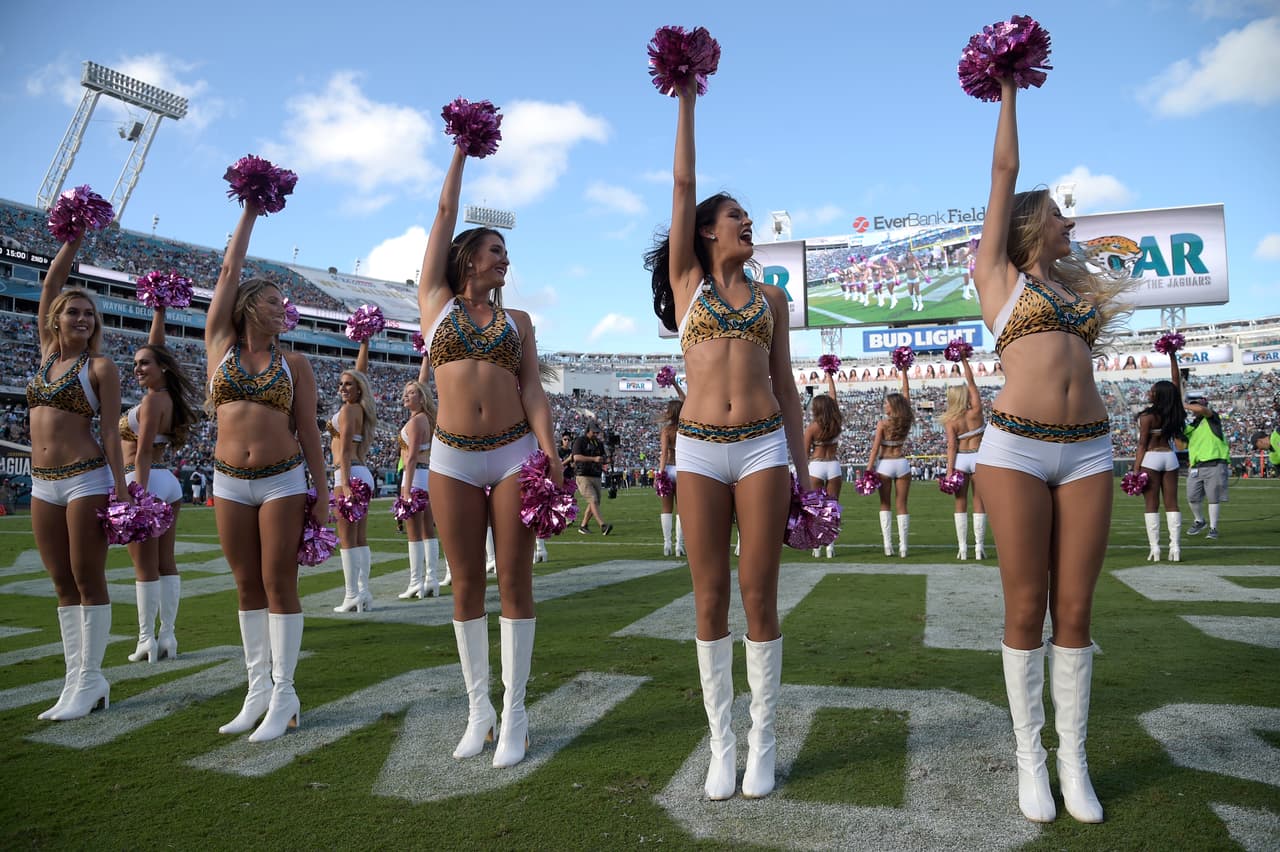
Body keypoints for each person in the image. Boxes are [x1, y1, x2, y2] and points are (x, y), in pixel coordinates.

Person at [972, 76, 1132, 825]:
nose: (1070, 221)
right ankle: (1030, 762)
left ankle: (1075, 760)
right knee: (1026, 603)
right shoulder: (997, 278)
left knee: (1076, 607)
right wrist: (1008, 90)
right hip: (1017, 452)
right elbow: (1003, 174)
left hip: (1091, 451)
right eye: (1058, 214)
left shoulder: (1073, 293)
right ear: (1031, 224)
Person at [643, 78, 807, 801]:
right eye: (736, 216)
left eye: (747, 216)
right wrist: (685, 98)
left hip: (765, 445)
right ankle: (721, 744)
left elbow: (789, 389)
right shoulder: (687, 283)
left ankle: (764, 742)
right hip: (701, 449)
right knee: (709, 596)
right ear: (708, 231)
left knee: (759, 593)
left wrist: (806, 475)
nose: (748, 223)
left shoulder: (773, 299)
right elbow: (683, 182)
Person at [418, 131, 562, 769]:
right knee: (466, 585)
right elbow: (443, 214)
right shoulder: (435, 305)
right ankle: (478, 711)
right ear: (467, 259)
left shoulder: (520, 321)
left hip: (513, 454)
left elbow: (531, 388)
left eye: (506, 252)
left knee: (516, 583)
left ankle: (516, 714)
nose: (505, 260)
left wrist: (550, 448)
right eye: (496, 251)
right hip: (450, 454)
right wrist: (461, 154)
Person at [207, 199, 328, 743]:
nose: (284, 309)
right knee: (244, 582)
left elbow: (309, 434)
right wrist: (251, 212)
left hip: (283, 478)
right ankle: (257, 689)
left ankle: (285, 692)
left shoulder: (295, 363)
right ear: (250, 306)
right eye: (275, 302)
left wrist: (323, 495)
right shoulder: (218, 346)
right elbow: (229, 271)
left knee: (279, 582)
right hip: (228, 480)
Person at [30, 233, 128, 721]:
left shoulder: (101, 367)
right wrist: (74, 238)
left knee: (88, 577)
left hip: (85, 479)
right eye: (74, 312)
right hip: (41, 482)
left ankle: (91, 679)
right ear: (57, 320)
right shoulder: (48, 354)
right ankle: (76, 681)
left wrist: (124, 493)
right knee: (60, 580)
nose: (83, 319)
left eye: (90, 314)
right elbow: (50, 283)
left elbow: (111, 433)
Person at [121, 305, 200, 662]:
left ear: (162, 368)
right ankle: (168, 637)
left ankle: (145, 641)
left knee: (144, 567)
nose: (137, 369)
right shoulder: (167, 396)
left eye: (144, 364)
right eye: (136, 364)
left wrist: (135, 498)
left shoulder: (153, 401)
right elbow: (157, 349)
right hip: (168, 482)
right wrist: (159, 311)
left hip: (146, 480)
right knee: (166, 562)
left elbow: (140, 453)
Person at [329, 339, 378, 612]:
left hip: (348, 475)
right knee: (359, 538)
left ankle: (351, 595)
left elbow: (345, 449)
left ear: (358, 388)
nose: (342, 388)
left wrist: (344, 483)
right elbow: (361, 373)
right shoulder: (359, 408)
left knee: (348, 539)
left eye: (348, 384)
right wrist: (364, 344)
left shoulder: (349, 410)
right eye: (340, 384)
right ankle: (364, 593)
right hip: (362, 474)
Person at [396, 359, 442, 598]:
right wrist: (425, 358)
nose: (406, 396)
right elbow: (422, 382)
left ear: (421, 398)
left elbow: (411, 457)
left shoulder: (416, 422)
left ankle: (416, 582)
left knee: (414, 534)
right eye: (405, 392)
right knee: (427, 531)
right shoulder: (427, 418)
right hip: (427, 477)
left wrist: (405, 491)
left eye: (410, 393)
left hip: (414, 479)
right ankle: (431, 579)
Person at [1133, 355, 1185, 560]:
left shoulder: (1147, 417)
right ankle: (1176, 548)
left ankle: (1155, 548)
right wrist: (1172, 356)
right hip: (1170, 457)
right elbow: (1175, 382)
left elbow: (1142, 445)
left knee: (1151, 504)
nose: (1150, 392)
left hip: (1151, 459)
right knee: (1172, 503)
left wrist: (1136, 470)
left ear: (1158, 395)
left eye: (1153, 390)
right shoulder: (1175, 411)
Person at [941, 352, 987, 560]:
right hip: (979, 457)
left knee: (960, 503)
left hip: (960, 460)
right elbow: (972, 382)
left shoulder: (951, 420)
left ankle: (963, 548)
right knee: (979, 502)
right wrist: (964, 360)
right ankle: (979, 548)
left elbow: (951, 447)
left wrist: (949, 471)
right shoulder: (976, 411)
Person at [866, 369, 913, 557]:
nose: (884, 406)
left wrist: (869, 470)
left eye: (887, 403)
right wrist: (903, 371)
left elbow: (875, 449)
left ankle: (888, 545)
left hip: (885, 464)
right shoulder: (906, 420)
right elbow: (907, 397)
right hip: (902, 463)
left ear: (892, 406)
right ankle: (903, 547)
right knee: (902, 504)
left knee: (885, 503)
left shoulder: (883, 424)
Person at [804, 371, 843, 558]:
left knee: (815, 508)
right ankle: (830, 547)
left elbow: (803, 454)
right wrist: (830, 377)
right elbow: (834, 399)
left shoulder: (812, 427)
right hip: (833, 466)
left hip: (816, 467)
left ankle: (816, 547)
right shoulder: (837, 422)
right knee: (832, 507)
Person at [1183, 394, 1230, 541]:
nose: (1195, 408)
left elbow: (1203, 410)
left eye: (1197, 405)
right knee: (1192, 496)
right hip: (1196, 465)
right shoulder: (1191, 426)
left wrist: (1181, 405)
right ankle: (1200, 520)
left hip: (1214, 462)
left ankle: (1213, 527)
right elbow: (1181, 445)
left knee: (1213, 498)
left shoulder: (1212, 418)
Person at [656, 382, 687, 556]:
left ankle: (667, 544)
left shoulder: (666, 431)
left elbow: (663, 452)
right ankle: (678, 546)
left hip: (668, 468)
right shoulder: (685, 428)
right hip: (683, 469)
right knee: (681, 509)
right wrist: (675, 383)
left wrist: (660, 474)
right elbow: (686, 400)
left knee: (666, 509)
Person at [573, 424, 613, 535]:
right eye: (594, 432)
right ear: (588, 431)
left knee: (595, 502)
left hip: (596, 475)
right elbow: (576, 457)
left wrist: (608, 458)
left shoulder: (598, 443)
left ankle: (583, 526)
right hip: (583, 475)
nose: (596, 434)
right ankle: (603, 525)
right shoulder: (580, 441)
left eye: (597, 432)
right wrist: (594, 459)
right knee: (593, 499)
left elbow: (603, 459)